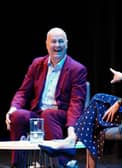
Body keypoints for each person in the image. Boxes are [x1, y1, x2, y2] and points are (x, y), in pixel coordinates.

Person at [39, 5, 122, 168]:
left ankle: (71, 142)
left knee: (98, 103)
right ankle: (77, 150)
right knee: (96, 113)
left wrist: (121, 101)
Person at [5, 27, 87, 167]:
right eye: (53, 42)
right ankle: (18, 164)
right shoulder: (37, 64)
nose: (57, 45)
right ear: (47, 44)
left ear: (66, 43)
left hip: (61, 116)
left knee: (49, 115)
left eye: (61, 41)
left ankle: (61, 164)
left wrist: (72, 129)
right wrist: (13, 109)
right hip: (38, 114)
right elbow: (23, 91)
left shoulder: (77, 69)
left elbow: (76, 103)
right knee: (17, 116)